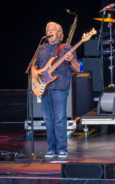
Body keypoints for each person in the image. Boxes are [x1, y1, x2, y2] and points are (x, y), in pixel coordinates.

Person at [31, 22, 80, 158]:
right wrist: (34, 72)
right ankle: (51, 148)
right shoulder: (41, 48)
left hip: (60, 86)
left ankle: (62, 148)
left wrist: (71, 61)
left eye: (53, 30)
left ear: (59, 33)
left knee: (59, 118)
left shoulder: (67, 48)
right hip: (44, 87)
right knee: (48, 119)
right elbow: (33, 65)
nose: (50, 31)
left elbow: (77, 69)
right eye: (48, 30)